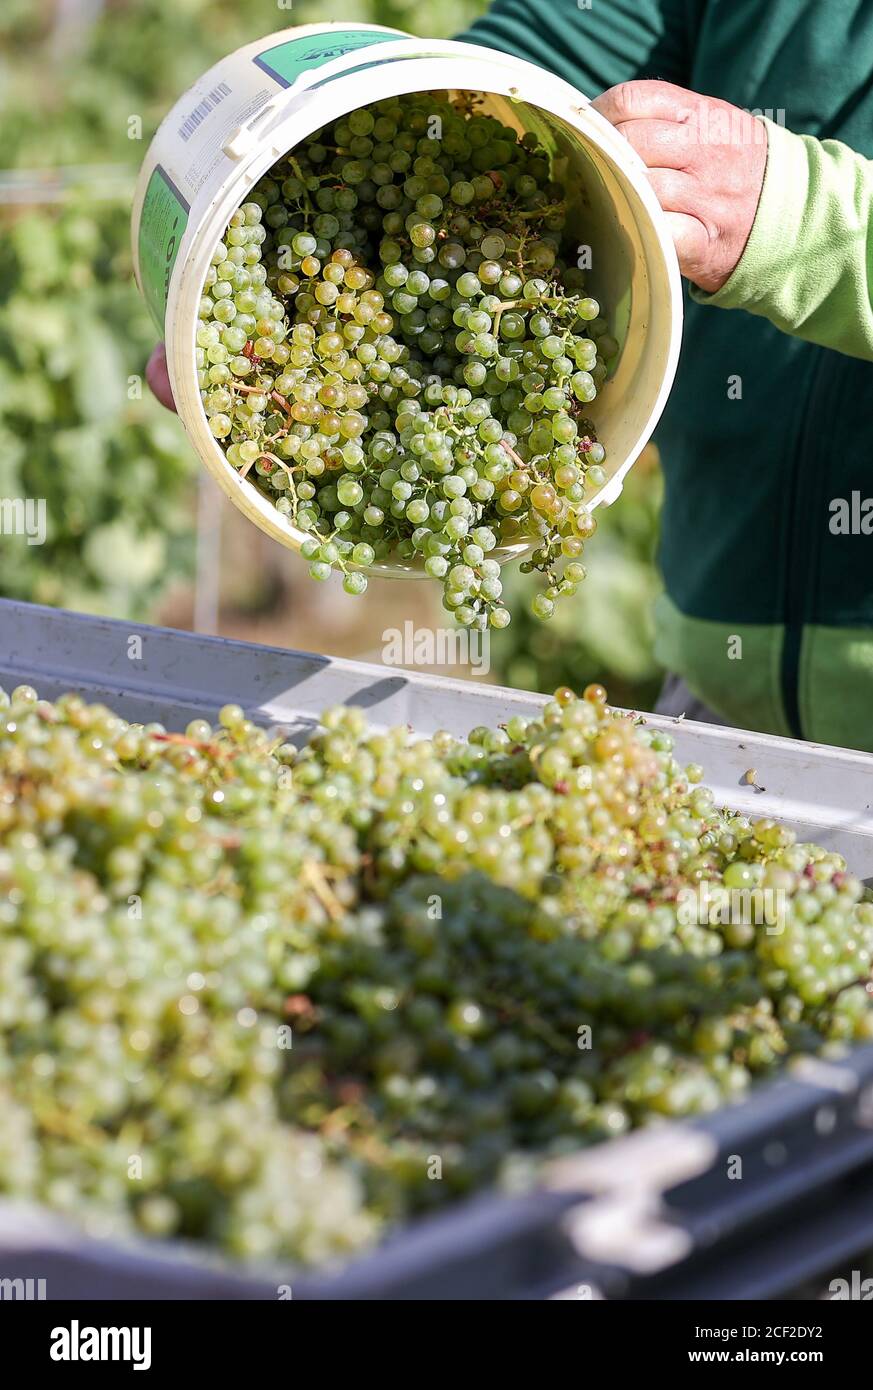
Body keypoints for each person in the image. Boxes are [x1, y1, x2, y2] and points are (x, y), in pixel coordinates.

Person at [147, 0, 873, 750]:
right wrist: (409, 104)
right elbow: (568, 39)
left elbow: (813, 224)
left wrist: (810, 224)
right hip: (719, 672)